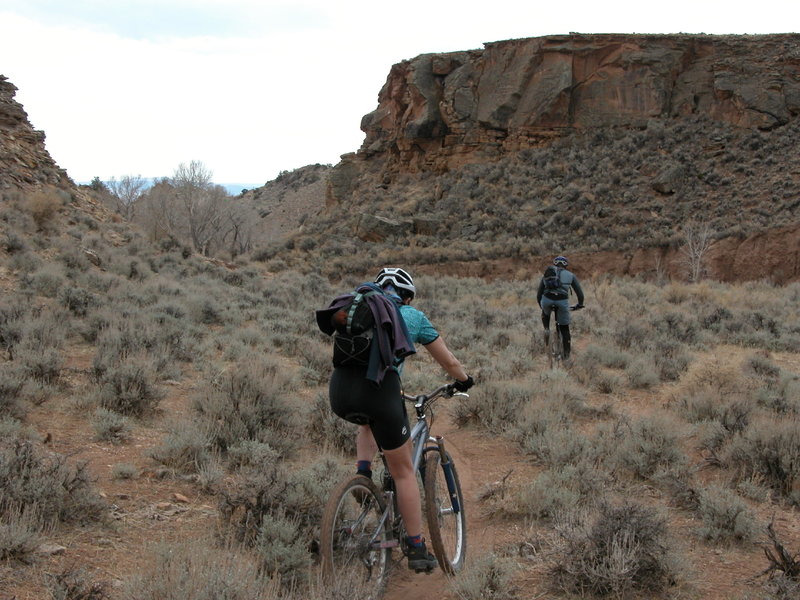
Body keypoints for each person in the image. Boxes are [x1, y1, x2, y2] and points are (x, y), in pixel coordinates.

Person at [327, 267, 474, 572]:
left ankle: (363, 478)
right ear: (406, 296)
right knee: (404, 471)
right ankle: (418, 548)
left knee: (367, 422)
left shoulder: (358, 308)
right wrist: (464, 380)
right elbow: (448, 361)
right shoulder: (413, 316)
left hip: (340, 392)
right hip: (380, 392)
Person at [536, 256, 585, 360]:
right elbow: (580, 294)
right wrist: (580, 304)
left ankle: (546, 329)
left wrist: (542, 306)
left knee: (545, 313)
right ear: (566, 265)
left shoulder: (547, 273)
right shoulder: (571, 275)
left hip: (547, 300)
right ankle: (566, 357)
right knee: (564, 328)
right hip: (562, 302)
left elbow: (539, 294)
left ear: (554, 264)